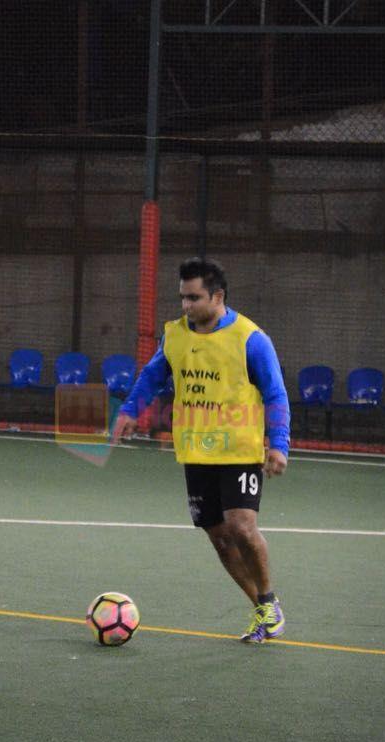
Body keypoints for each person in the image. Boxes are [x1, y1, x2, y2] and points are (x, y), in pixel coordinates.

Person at [113, 257, 290, 643]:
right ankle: (263, 606)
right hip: (196, 452)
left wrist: (278, 444)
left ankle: (269, 600)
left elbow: (276, 393)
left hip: (240, 450)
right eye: (182, 298)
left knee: (242, 527)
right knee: (220, 538)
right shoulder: (175, 336)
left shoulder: (250, 339)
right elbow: (151, 376)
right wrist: (129, 411)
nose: (186, 306)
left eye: (194, 298)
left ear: (218, 296)